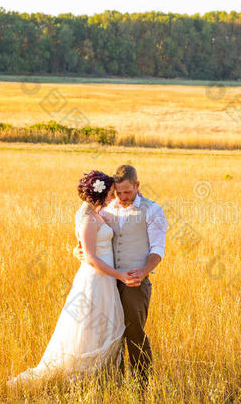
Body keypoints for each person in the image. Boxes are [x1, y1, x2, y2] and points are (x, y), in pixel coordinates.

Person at [7, 170, 141, 387]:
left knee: (103, 324)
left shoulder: (98, 213)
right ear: (99, 193)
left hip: (105, 280)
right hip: (96, 279)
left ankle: (101, 375)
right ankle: (82, 376)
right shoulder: (88, 218)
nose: (113, 195)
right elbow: (89, 256)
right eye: (109, 192)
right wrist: (119, 275)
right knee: (90, 324)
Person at [74, 165, 168, 389]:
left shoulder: (153, 210)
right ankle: (114, 382)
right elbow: (89, 238)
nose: (123, 197)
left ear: (137, 186)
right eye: (119, 193)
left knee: (134, 332)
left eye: (128, 192)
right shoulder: (106, 210)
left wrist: (143, 271)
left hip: (135, 282)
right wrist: (77, 251)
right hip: (107, 282)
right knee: (109, 333)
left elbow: (158, 250)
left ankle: (140, 385)